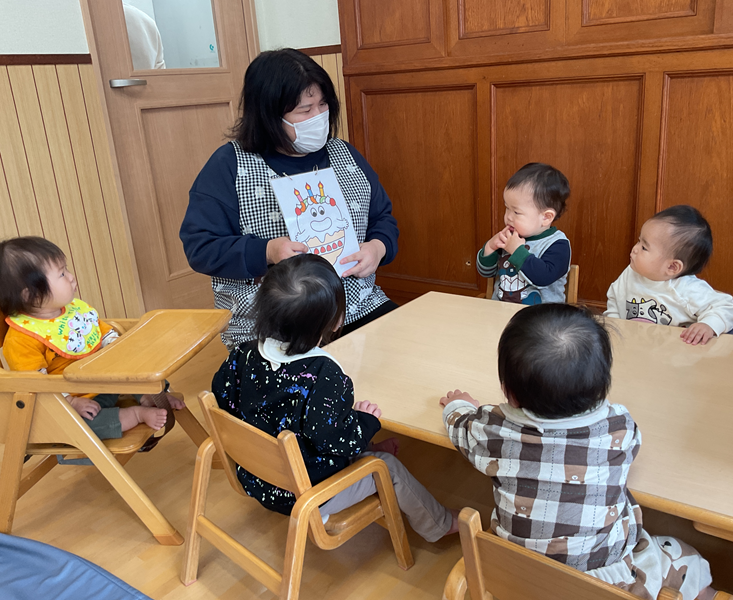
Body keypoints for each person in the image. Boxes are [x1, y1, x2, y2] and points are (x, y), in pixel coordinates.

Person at [439, 304, 716, 600]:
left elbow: (459, 426)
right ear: (602, 386)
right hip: (609, 583)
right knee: (684, 556)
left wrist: (459, 405)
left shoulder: (492, 428)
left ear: (510, 393)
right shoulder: (618, 427)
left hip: (518, 573)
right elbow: (633, 445)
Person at [211, 253, 457, 542]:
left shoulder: (243, 353)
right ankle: (438, 524)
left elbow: (222, 397)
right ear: (332, 321)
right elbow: (334, 439)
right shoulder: (323, 374)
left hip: (255, 476)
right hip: (305, 493)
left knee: (311, 422)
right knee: (389, 469)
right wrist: (366, 423)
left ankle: (367, 452)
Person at [181, 48, 399, 349]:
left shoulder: (345, 155)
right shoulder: (229, 166)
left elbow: (382, 218)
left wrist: (378, 247)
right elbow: (201, 246)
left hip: (356, 308)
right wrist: (266, 252)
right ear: (269, 115)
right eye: (305, 110)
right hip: (271, 326)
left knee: (409, 353)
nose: (318, 117)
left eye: (323, 104)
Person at [0, 237, 184, 439]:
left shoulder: (72, 311)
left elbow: (100, 331)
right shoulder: (21, 340)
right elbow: (38, 388)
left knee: (133, 360)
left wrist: (120, 350)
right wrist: (71, 402)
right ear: (30, 295)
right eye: (61, 274)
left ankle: (150, 395)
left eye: (66, 269)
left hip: (106, 382)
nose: (71, 277)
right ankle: (134, 415)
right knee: (76, 427)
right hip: (77, 402)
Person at [605, 205, 733, 345]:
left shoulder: (687, 289)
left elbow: (726, 307)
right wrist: (614, 327)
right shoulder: (631, 273)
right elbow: (615, 299)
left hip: (676, 354)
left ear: (672, 267)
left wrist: (708, 325)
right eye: (639, 241)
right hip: (635, 348)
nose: (635, 249)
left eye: (644, 247)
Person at [476, 163, 571, 304]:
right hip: (500, 311)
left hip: (542, 316)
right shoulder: (510, 236)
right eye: (507, 208)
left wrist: (517, 251)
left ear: (546, 217)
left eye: (516, 212)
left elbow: (543, 278)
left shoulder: (558, 244)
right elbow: (486, 273)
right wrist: (490, 247)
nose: (508, 216)